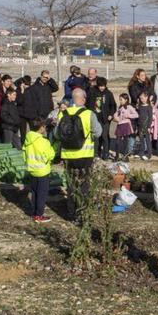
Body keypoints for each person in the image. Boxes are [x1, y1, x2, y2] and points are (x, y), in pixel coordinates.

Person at [55, 88, 102, 219]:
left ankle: (71, 211)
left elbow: (56, 135)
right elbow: (98, 133)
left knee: (71, 183)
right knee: (84, 184)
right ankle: (82, 211)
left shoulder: (62, 114)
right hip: (85, 155)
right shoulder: (88, 114)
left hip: (68, 156)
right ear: (83, 99)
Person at [23, 119, 55, 223]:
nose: (45, 128)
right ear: (41, 128)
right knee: (42, 194)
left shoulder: (28, 139)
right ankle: (39, 215)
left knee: (34, 192)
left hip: (32, 170)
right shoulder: (43, 141)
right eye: (44, 127)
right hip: (42, 171)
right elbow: (50, 155)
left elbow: (24, 155)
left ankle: (34, 213)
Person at [88, 76, 117, 158]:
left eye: (103, 86)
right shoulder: (92, 92)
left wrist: (111, 114)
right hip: (95, 118)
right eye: (100, 86)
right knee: (96, 136)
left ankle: (106, 153)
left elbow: (113, 105)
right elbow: (89, 104)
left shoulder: (108, 93)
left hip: (105, 119)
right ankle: (96, 153)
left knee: (105, 136)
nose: (102, 88)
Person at [113, 93, 138, 162]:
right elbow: (116, 114)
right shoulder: (120, 107)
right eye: (119, 100)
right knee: (117, 142)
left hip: (126, 125)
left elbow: (136, 115)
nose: (120, 101)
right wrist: (116, 118)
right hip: (119, 125)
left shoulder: (130, 107)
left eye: (121, 100)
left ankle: (125, 156)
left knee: (125, 142)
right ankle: (117, 156)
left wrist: (128, 115)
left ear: (126, 100)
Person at [136, 91, 156, 160]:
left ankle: (149, 154)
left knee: (147, 140)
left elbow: (150, 117)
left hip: (146, 126)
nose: (142, 99)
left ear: (147, 97)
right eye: (141, 98)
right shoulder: (140, 106)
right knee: (141, 139)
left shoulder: (149, 107)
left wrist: (148, 127)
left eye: (143, 98)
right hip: (140, 126)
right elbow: (138, 116)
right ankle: (142, 152)